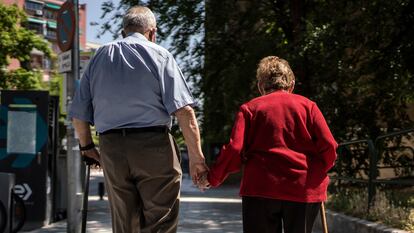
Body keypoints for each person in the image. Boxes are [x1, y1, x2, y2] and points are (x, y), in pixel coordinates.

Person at [69, 6, 208, 233]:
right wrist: (196, 159)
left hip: (112, 148)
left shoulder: (100, 57)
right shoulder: (160, 54)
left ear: (124, 31)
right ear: (152, 32)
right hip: (153, 146)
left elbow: (79, 114)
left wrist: (87, 147)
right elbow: (184, 111)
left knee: (124, 223)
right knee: (160, 220)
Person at [204, 56, 338, 233]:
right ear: (291, 84)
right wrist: (319, 172)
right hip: (303, 188)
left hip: (260, 188)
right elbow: (329, 146)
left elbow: (235, 148)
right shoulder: (308, 106)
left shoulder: (250, 109)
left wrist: (212, 178)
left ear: (261, 86)